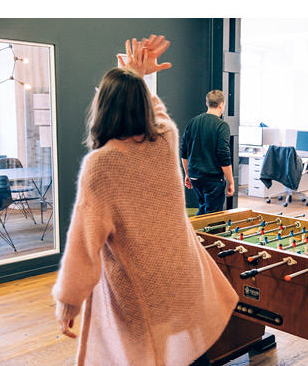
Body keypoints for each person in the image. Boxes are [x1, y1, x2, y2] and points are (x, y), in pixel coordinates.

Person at [52, 35, 237, 366]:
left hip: (142, 287)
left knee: (146, 355)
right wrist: (139, 78)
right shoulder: (166, 140)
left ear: (101, 107)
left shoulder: (100, 165)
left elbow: (84, 241)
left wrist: (68, 301)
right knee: (192, 356)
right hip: (184, 276)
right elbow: (159, 113)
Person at [180, 90, 234, 215]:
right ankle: (203, 235)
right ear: (221, 104)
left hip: (195, 177)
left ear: (207, 103)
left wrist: (188, 174)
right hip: (212, 179)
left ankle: (196, 234)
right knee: (213, 216)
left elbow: (184, 152)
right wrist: (231, 181)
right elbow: (223, 154)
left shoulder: (192, 122)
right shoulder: (222, 125)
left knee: (203, 210)